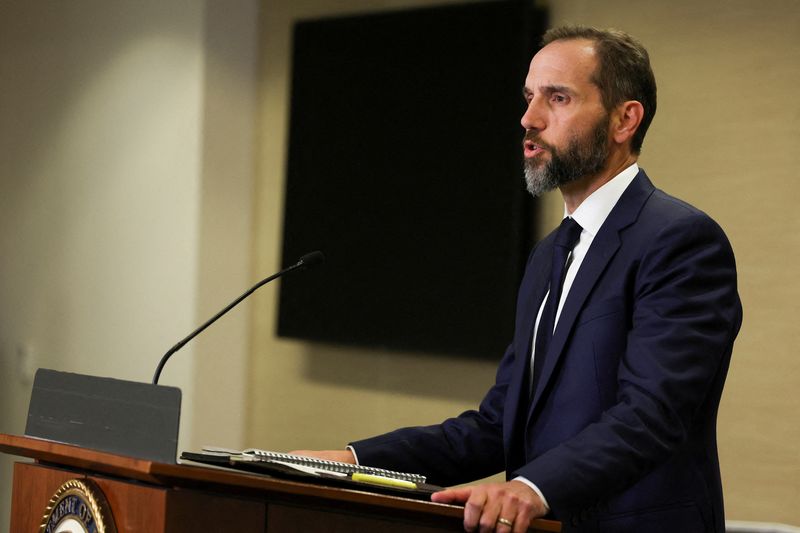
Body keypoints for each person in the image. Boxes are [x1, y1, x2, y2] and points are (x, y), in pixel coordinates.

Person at [294, 25, 742, 533]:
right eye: (529, 98)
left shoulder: (680, 241)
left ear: (624, 119)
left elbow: (651, 414)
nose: (529, 119)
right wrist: (353, 461)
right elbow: (497, 426)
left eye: (558, 98)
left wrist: (531, 488)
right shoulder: (549, 254)